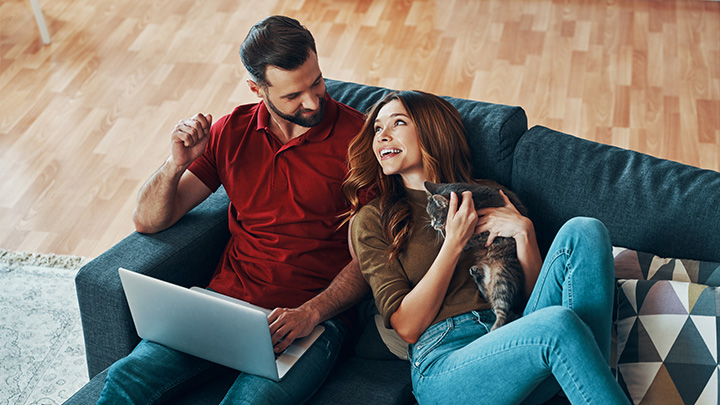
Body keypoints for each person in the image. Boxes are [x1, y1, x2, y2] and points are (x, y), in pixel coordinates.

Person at [98, 15, 371, 404]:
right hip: (224, 307)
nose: (312, 101)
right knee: (127, 378)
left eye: (317, 82)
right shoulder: (231, 131)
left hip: (311, 322)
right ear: (257, 89)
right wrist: (175, 165)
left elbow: (376, 255)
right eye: (293, 95)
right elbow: (148, 221)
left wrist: (311, 312)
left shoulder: (360, 141)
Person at [344, 90, 630, 404]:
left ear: (432, 130)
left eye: (397, 123)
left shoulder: (491, 195)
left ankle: (583, 383)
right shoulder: (373, 220)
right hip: (446, 362)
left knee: (585, 230)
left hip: (517, 344)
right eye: (377, 129)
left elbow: (531, 303)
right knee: (559, 324)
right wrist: (453, 243)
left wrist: (525, 234)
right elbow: (407, 328)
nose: (382, 136)